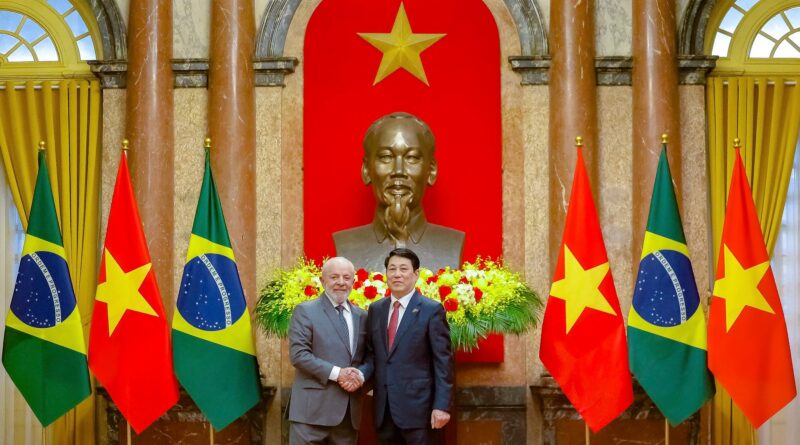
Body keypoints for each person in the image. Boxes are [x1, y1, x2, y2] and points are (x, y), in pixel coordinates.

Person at [333, 112, 464, 272]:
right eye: (386, 157)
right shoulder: (347, 245)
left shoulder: (451, 244)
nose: (398, 171)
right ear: (366, 170)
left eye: (412, 158)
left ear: (431, 171)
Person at [359, 248, 455, 444]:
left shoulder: (431, 310)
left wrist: (442, 406)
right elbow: (372, 354)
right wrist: (359, 376)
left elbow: (443, 362)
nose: (397, 274)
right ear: (386, 273)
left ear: (416, 274)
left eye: (403, 269)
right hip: (384, 410)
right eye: (392, 269)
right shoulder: (376, 309)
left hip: (419, 411)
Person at [288, 257, 367, 445]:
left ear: (353, 282)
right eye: (334, 277)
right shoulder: (305, 311)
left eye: (346, 277)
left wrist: (360, 376)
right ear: (322, 280)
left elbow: (370, 356)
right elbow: (299, 355)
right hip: (310, 415)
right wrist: (338, 374)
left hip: (347, 416)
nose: (341, 282)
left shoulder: (362, 316)